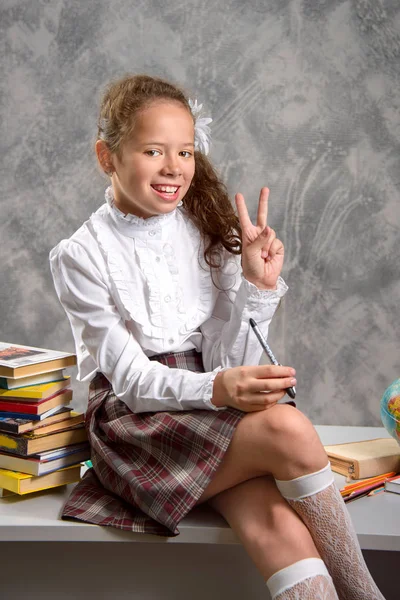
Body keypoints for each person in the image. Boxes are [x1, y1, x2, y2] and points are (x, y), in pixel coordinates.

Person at [49, 74, 384, 600]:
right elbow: (133, 381)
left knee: (278, 526)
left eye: (184, 151)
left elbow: (228, 358)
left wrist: (257, 286)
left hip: (208, 402)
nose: (173, 168)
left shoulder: (205, 227)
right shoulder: (80, 254)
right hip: (137, 423)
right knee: (289, 430)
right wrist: (220, 390)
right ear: (106, 157)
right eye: (153, 150)